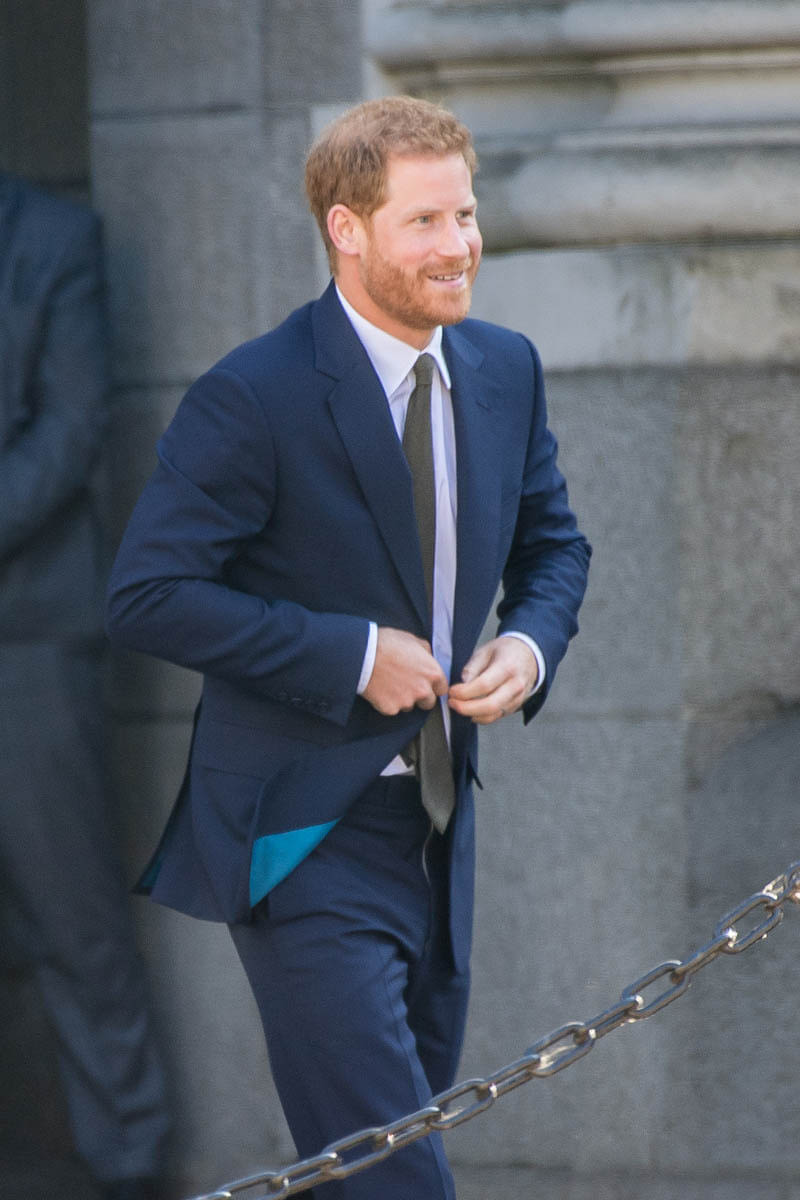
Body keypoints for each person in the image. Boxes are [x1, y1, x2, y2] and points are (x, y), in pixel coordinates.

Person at [106, 96, 591, 1199]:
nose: (459, 245)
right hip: (301, 838)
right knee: (394, 1179)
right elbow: (146, 596)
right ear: (347, 229)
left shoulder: (506, 367)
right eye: (424, 221)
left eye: (465, 214)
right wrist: (353, 654)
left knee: (372, 1167)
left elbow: (554, 544)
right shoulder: (253, 393)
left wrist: (527, 643)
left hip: (438, 831)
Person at [0, 172, 170, 1200]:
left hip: (26, 635)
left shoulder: (53, 239)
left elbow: (68, 432)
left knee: (74, 922)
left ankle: (130, 1167)